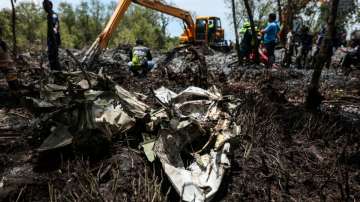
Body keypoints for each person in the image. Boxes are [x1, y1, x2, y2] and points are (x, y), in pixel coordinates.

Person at [43, 0, 61, 71]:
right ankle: (56, 74)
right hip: (52, 41)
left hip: (54, 41)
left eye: (46, 5)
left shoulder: (52, 15)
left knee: (53, 59)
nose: (44, 7)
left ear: (50, 6)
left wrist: (54, 40)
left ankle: (58, 75)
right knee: (52, 58)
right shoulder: (51, 15)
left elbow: (55, 28)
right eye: (44, 6)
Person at [0, 26, 19, 94]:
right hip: (6, 65)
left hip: (7, 67)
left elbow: (5, 56)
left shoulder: (2, 43)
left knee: (13, 83)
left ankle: (15, 93)